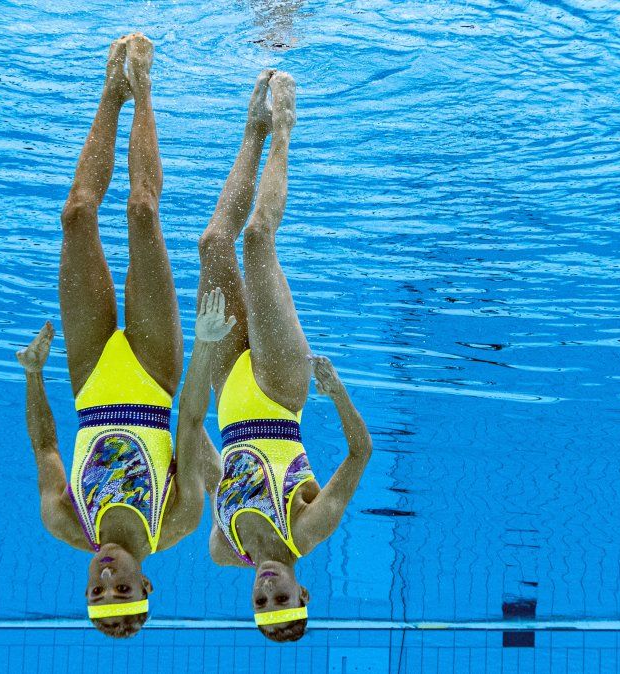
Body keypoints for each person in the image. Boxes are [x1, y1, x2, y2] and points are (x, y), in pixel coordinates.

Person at [15, 33, 236, 639]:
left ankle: (111, 91)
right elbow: (190, 425)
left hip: (87, 382)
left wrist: (33, 375)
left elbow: (44, 449)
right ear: (146, 587)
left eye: (97, 590)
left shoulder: (66, 524)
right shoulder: (180, 519)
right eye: (121, 590)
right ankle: (143, 86)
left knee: (76, 215)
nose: (107, 577)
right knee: (142, 212)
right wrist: (209, 343)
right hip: (152, 374)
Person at [195, 69, 373, 642]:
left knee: (213, 243)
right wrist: (337, 390)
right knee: (256, 241)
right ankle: (285, 128)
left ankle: (253, 131)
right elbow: (361, 452)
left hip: (227, 393)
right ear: (303, 593)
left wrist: (187, 404)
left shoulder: (226, 548)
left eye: (261, 599)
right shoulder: (309, 529)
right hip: (279, 389)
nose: (268, 586)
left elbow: (201, 453)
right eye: (282, 597)